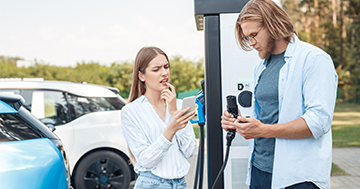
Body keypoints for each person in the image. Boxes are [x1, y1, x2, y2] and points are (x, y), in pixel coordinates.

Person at [221, 0, 338, 188]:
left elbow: (318, 121)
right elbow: (267, 116)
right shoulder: (261, 67)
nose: (251, 43)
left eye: (254, 35)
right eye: (246, 38)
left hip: (298, 178)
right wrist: (242, 123)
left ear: (273, 24)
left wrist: (263, 130)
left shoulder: (314, 59)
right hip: (260, 170)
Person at [121, 46, 197, 189]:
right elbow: (145, 160)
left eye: (166, 67)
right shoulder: (131, 111)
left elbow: (190, 151)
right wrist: (170, 129)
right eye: (156, 69)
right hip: (152, 184)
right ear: (141, 76)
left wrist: (174, 111)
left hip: (180, 184)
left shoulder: (178, 105)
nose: (164, 73)